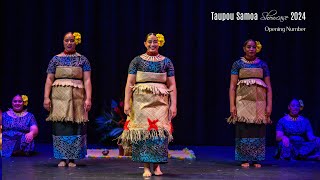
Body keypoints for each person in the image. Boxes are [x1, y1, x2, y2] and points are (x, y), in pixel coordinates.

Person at [119, 33, 177, 177]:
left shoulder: (166, 62)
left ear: (160, 43)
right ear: (145, 43)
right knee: (144, 132)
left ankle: (157, 166)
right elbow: (130, 83)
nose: (152, 44)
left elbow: (172, 85)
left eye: (155, 42)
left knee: (158, 133)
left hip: (160, 103)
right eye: (150, 42)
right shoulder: (136, 61)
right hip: (141, 103)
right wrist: (127, 102)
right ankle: (145, 166)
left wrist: (173, 105)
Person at [43, 32, 92, 167]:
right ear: (63, 42)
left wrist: (88, 98)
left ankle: (72, 158)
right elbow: (49, 79)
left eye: (72, 40)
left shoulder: (83, 60)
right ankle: (62, 157)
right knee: (61, 126)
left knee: (75, 126)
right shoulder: (55, 59)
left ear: (76, 42)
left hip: (77, 97)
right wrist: (46, 97)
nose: (69, 43)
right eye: (66, 40)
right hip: (59, 98)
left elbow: (87, 80)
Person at [228, 39, 272, 168]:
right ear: (244, 48)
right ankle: (244, 158)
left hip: (259, 102)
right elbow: (232, 86)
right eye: (249, 47)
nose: (251, 49)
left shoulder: (263, 64)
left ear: (257, 49)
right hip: (242, 101)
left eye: (253, 47)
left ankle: (257, 159)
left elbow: (269, 87)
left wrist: (269, 105)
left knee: (258, 129)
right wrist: (232, 105)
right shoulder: (237, 64)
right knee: (244, 129)